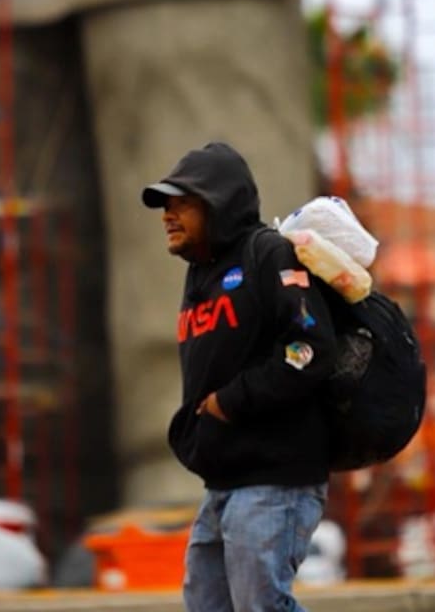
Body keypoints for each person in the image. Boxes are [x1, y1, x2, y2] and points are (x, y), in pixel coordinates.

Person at [142, 141, 337, 612]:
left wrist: (231, 401)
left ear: (218, 204)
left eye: (181, 202)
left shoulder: (268, 255)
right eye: (165, 205)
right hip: (224, 480)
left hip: (274, 477)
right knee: (207, 604)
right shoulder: (201, 274)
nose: (168, 215)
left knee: (261, 606)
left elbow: (310, 348)